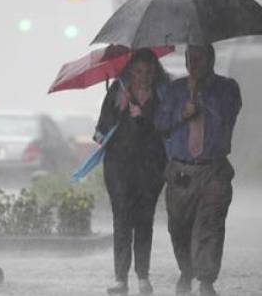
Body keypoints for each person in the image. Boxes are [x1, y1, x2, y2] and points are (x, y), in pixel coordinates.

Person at [155, 44, 242, 296]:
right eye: (189, 58)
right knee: (178, 227)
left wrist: (200, 96)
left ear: (210, 60)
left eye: (199, 57)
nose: (194, 63)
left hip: (213, 170)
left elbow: (227, 116)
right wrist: (182, 114)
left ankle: (206, 280)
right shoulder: (173, 91)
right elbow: (161, 124)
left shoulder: (227, 88)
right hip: (181, 171)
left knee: (210, 225)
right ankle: (186, 271)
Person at [94, 48, 169, 295]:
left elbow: (168, 127)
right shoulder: (118, 91)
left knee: (144, 221)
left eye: (148, 71)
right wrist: (117, 112)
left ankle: (143, 276)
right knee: (122, 220)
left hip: (150, 168)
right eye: (138, 71)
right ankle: (120, 278)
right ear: (130, 71)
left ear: (155, 71)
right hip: (119, 167)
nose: (143, 76)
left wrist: (145, 115)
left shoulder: (163, 95)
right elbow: (101, 129)